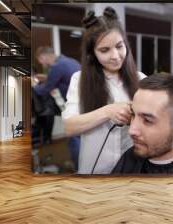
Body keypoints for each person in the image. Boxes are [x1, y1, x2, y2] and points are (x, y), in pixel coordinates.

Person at [62, 7, 146, 174]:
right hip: (95, 167)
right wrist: (108, 111)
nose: (115, 56)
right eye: (104, 50)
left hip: (132, 166)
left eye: (119, 46)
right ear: (92, 54)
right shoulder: (79, 79)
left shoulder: (141, 79)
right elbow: (69, 127)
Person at [33, 47, 81, 170]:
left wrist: (32, 84)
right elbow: (63, 79)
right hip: (84, 103)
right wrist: (47, 78)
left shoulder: (56, 67)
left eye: (41, 61)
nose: (42, 64)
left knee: (73, 137)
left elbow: (44, 90)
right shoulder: (71, 61)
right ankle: (82, 163)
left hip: (74, 106)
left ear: (44, 56)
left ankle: (79, 168)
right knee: (81, 136)